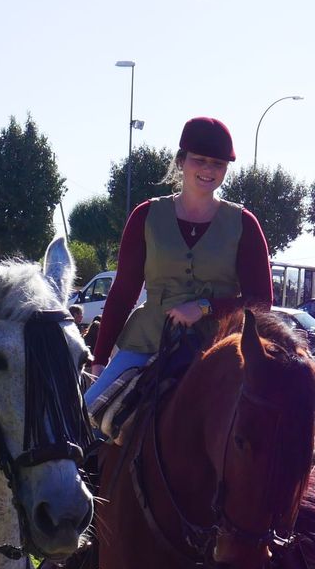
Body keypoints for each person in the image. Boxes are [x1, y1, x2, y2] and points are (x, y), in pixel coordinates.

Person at [83, 117, 273, 408]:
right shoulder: (145, 216)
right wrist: (100, 358)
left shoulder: (244, 223)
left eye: (218, 163)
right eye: (200, 160)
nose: (209, 169)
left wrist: (205, 307)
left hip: (219, 348)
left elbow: (260, 301)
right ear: (181, 161)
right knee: (90, 414)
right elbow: (123, 292)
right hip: (147, 343)